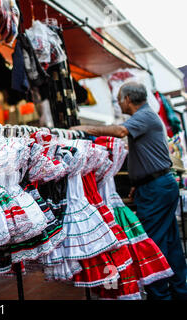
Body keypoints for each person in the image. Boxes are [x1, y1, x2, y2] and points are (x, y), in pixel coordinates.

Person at [71, 81, 187, 300]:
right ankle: (179, 291)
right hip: (155, 185)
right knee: (169, 242)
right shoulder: (146, 117)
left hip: (156, 188)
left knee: (153, 243)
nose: (118, 104)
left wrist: (85, 128)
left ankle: (160, 295)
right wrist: (137, 183)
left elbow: (120, 130)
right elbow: (147, 154)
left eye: (119, 100)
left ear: (127, 99)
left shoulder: (143, 116)